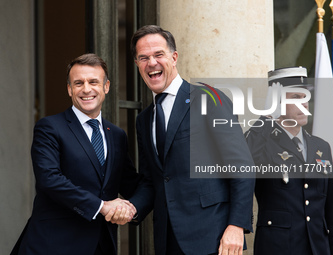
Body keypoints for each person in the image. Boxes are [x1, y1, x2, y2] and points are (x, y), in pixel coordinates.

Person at [130, 25, 255, 255]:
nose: (152, 63)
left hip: (214, 238)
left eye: (159, 54)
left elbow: (241, 166)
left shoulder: (210, 98)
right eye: (143, 58)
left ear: (174, 57)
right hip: (167, 241)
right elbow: (153, 180)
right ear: (138, 64)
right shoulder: (144, 119)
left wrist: (237, 225)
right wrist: (130, 208)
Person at [11, 53, 148, 255]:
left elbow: (130, 183)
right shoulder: (49, 128)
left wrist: (132, 208)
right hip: (53, 246)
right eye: (78, 83)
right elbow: (50, 180)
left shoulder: (117, 135)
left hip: (101, 246)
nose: (86, 89)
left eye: (93, 82)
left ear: (106, 87)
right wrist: (102, 207)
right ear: (69, 89)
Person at [245, 67, 333, 255]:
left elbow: (331, 211)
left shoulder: (321, 147)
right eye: (296, 97)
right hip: (278, 248)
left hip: (318, 248)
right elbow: (242, 164)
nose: (304, 104)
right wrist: (267, 117)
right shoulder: (262, 144)